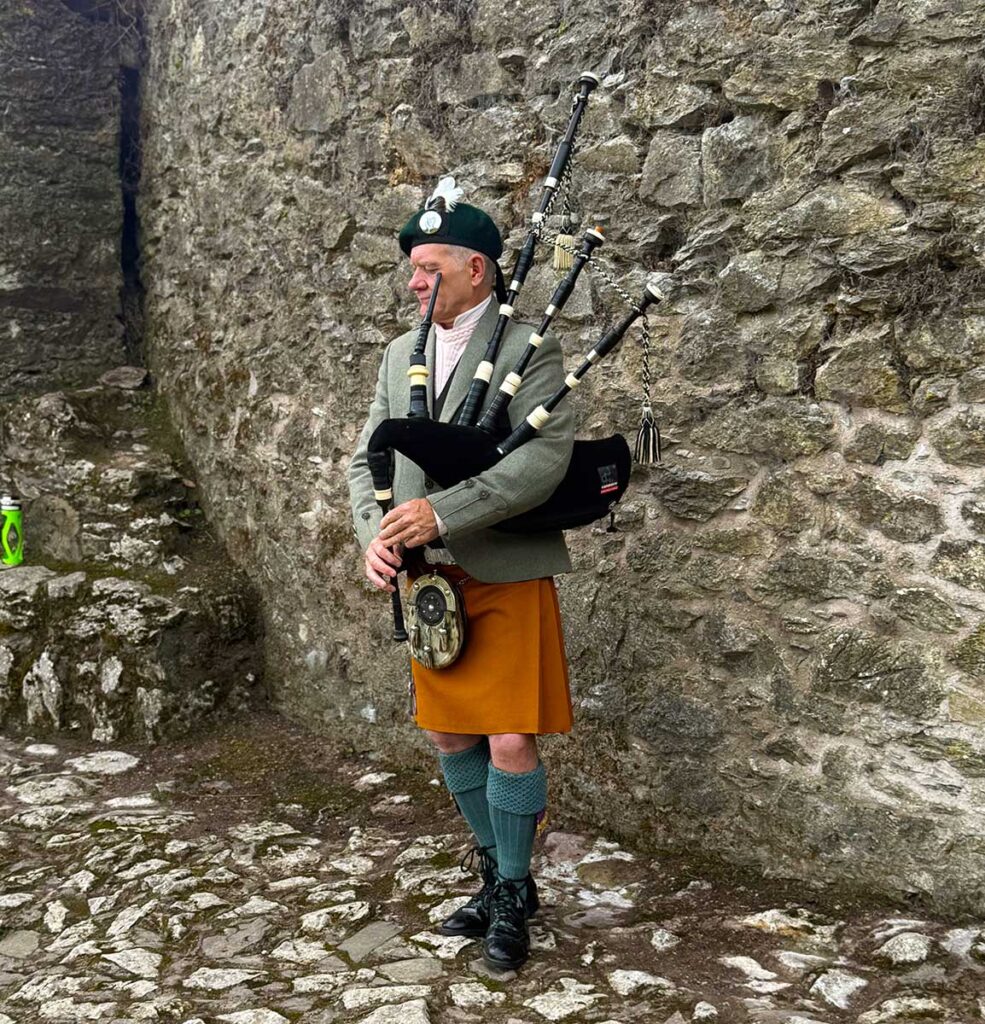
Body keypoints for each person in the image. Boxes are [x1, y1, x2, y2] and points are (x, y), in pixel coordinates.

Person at [348, 178, 576, 971]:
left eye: (429, 268)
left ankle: (511, 890)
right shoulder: (396, 355)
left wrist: (443, 514)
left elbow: (541, 462)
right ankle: (496, 868)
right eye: (412, 268)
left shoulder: (528, 350)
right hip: (428, 584)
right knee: (450, 732)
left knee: (509, 737)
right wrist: (374, 536)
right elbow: (367, 458)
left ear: (475, 269)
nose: (414, 282)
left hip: (503, 567)